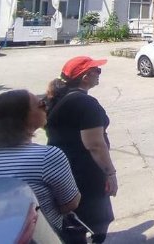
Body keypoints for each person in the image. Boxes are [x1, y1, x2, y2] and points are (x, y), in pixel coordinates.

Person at [0, 89, 81, 239]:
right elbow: (70, 203)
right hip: (41, 237)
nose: (46, 107)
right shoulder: (47, 156)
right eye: (41, 104)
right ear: (22, 118)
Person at [46, 56, 117, 244]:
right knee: (96, 218)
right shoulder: (86, 104)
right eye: (97, 70)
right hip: (85, 171)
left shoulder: (54, 99)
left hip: (62, 168)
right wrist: (110, 173)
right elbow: (94, 144)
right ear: (85, 76)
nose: (99, 74)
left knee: (72, 218)